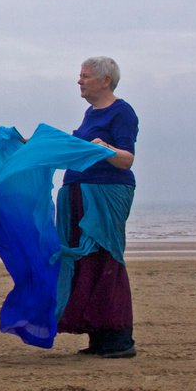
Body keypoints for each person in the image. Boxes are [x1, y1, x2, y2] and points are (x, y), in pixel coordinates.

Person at [56, 56, 138, 358]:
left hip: (106, 192)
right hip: (80, 191)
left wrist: (105, 149)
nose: (79, 80)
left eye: (85, 76)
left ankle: (119, 337)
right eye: (80, 75)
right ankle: (99, 335)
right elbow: (73, 148)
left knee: (106, 257)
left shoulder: (122, 112)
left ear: (106, 80)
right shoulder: (90, 114)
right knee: (86, 263)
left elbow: (126, 159)